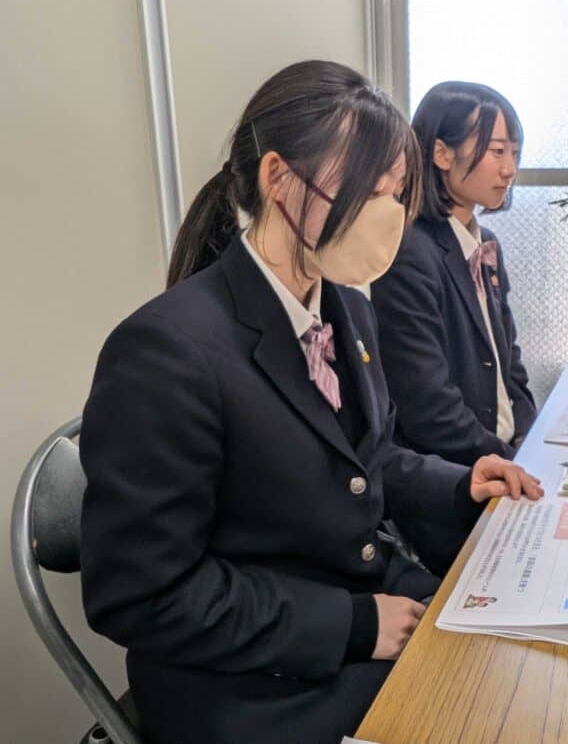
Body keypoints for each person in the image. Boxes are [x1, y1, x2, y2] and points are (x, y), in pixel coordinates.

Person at [79, 61, 542, 744]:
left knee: (517, 671)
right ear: (279, 179)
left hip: (357, 616)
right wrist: (354, 623)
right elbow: (140, 595)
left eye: (396, 194)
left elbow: (365, 460)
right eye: (368, 191)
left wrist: (458, 482)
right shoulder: (166, 351)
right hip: (252, 683)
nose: (389, 216)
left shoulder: (347, 309)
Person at [371, 81, 536, 468]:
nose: (509, 169)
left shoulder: (486, 244)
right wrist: (511, 462)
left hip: (505, 458)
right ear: (442, 153)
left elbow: (510, 365)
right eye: (497, 151)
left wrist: (529, 437)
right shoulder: (409, 252)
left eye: (514, 152)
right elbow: (428, 407)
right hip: (456, 475)